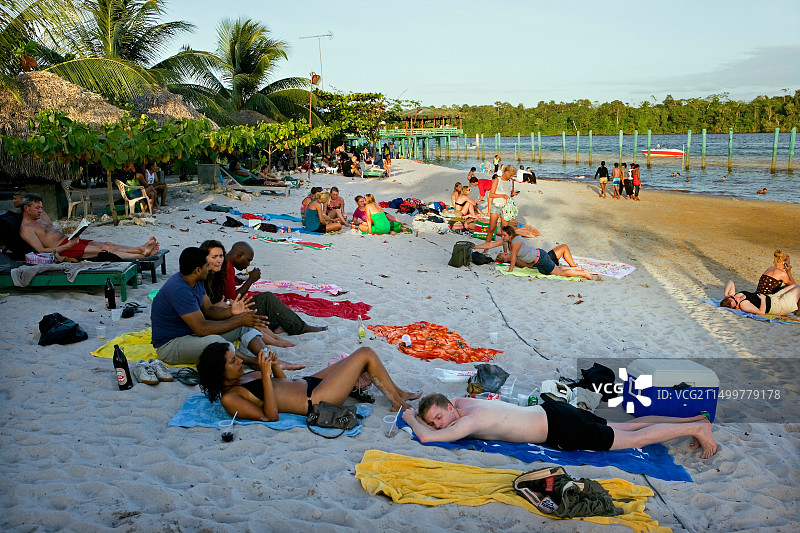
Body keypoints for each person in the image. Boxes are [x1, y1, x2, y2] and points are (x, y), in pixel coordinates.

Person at [403, 394, 717, 459]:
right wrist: (425, 413)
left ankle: (697, 430)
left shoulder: (468, 421)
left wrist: (410, 418)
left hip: (561, 427)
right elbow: (438, 419)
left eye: (439, 418)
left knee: (633, 439)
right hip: (553, 410)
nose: (439, 425)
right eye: (434, 422)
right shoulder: (461, 403)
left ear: (447, 408)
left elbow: (428, 439)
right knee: (628, 426)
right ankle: (695, 420)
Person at [150, 247, 306, 367]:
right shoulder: (179, 289)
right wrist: (239, 320)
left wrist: (231, 312)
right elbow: (201, 329)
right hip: (170, 345)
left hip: (191, 335)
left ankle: (266, 357)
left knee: (245, 327)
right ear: (197, 270)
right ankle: (256, 362)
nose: (209, 268)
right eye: (206, 265)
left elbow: (210, 310)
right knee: (217, 342)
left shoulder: (196, 281)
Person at [198, 343, 421, 421]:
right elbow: (270, 415)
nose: (239, 361)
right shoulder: (230, 398)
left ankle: (398, 393)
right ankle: (396, 403)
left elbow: (280, 387)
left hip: (309, 383)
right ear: (219, 371)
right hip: (314, 399)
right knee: (365, 353)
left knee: (358, 358)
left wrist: (274, 367)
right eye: (232, 360)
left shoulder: (241, 377)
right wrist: (265, 375)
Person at [201, 240, 326, 339]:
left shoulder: (223, 267)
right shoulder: (226, 267)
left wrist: (237, 280)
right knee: (267, 299)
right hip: (223, 311)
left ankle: (276, 326)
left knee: (264, 301)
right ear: (239, 255)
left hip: (219, 309)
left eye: (220, 256)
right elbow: (233, 298)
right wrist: (251, 280)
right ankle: (301, 328)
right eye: (248, 260)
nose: (248, 264)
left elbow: (222, 286)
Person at [19, 193, 158, 260]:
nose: (40, 211)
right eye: (37, 208)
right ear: (26, 208)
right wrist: (66, 247)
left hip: (69, 241)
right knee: (105, 249)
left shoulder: (38, 217)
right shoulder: (26, 229)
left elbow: (50, 226)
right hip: (64, 250)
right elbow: (41, 251)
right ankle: (141, 255)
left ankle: (140, 249)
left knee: (107, 243)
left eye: (41, 208)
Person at [474, 225, 593, 280]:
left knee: (560, 272)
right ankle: (579, 270)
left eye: (504, 235)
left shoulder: (516, 241)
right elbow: (490, 244)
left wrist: (509, 272)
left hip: (540, 258)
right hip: (539, 260)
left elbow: (514, 258)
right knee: (558, 270)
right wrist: (476, 246)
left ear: (510, 235)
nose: (502, 237)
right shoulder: (506, 241)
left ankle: (584, 273)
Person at [484, 164, 520, 245]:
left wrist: (513, 194)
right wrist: (502, 196)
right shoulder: (497, 180)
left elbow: (510, 194)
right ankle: (486, 247)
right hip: (496, 205)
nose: (511, 176)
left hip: (506, 207)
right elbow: (491, 194)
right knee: (491, 228)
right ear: (506, 172)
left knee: (505, 231)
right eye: (511, 174)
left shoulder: (511, 181)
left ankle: (506, 251)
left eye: (513, 175)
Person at [720, 280, 800, 316]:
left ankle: (798, 311)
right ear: (735, 307)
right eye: (735, 301)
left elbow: (731, 282)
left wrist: (726, 294)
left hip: (773, 297)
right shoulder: (744, 304)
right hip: (777, 305)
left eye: (733, 297)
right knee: (799, 289)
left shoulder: (734, 296)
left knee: (795, 285)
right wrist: (762, 300)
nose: (735, 298)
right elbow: (761, 312)